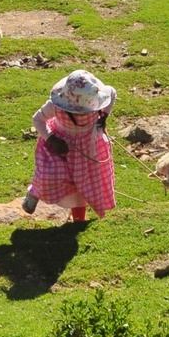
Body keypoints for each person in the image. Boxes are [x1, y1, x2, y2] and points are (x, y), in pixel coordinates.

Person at [21, 69, 116, 222]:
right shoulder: (55, 105)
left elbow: (112, 93)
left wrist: (104, 116)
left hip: (88, 148)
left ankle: (79, 220)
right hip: (60, 146)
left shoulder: (96, 98)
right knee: (48, 175)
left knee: (82, 186)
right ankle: (34, 193)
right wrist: (50, 139)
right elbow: (37, 119)